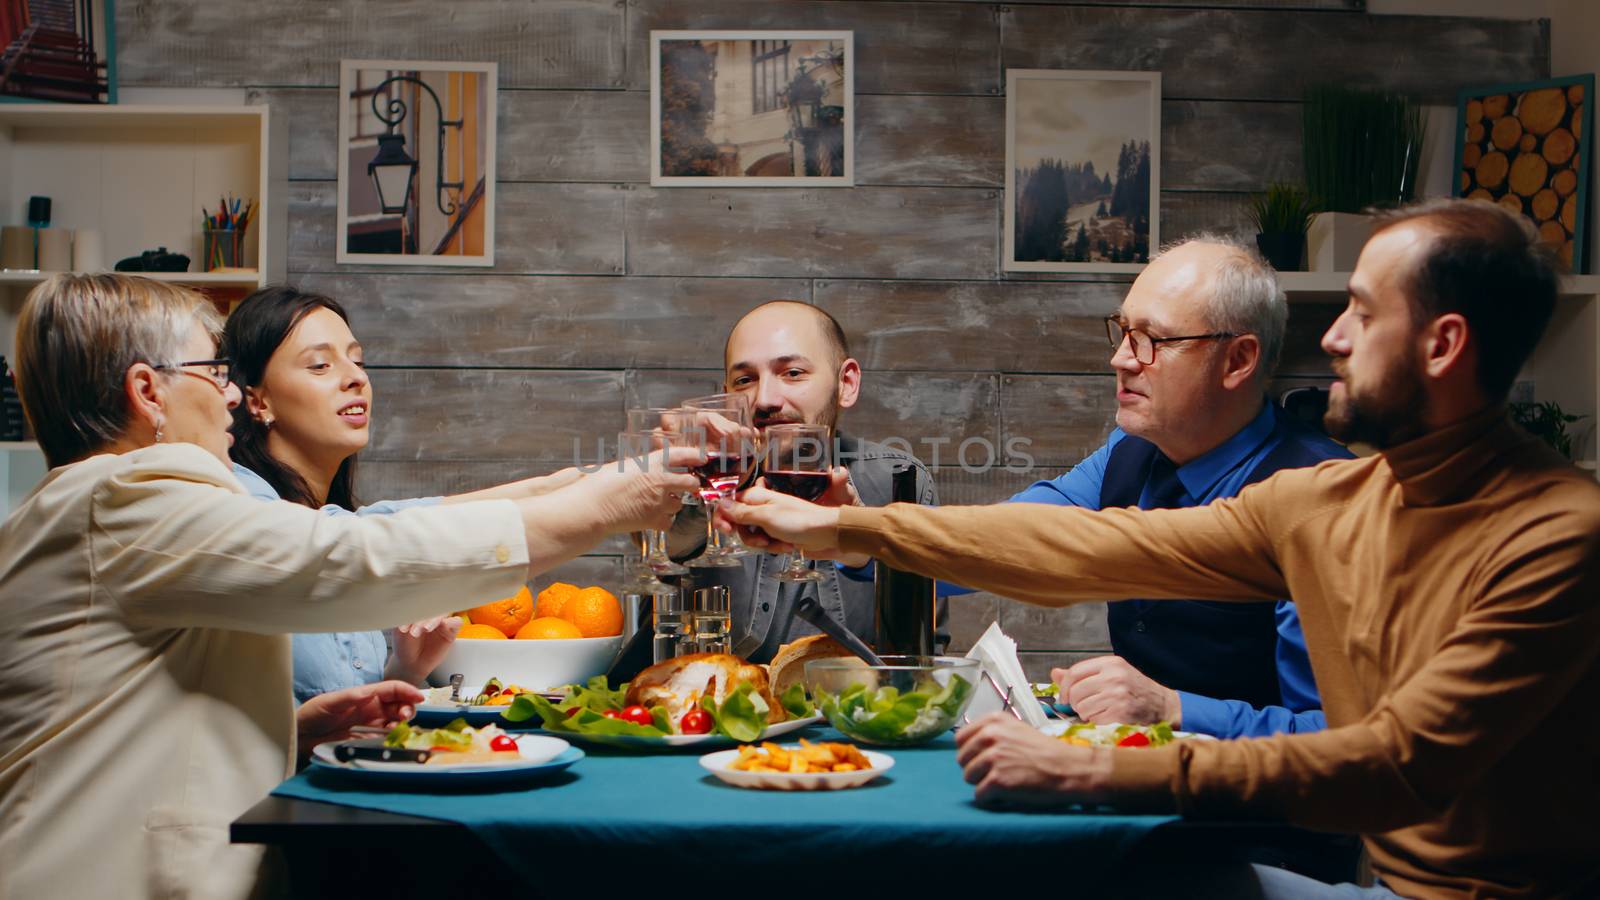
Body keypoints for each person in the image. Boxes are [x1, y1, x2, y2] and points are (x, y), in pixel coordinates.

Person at [724, 199, 1600, 898]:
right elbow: (1084, 547)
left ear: (1443, 346)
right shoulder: (1330, 500)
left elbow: (1393, 765)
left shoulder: (1560, 532)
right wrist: (848, 528)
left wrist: (1096, 768)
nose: (1330, 337)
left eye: (1362, 315)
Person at [0, 274, 698, 899]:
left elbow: (133, 711)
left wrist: (290, 733)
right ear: (148, 391)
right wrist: (612, 505)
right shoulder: (127, 499)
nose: (233, 395)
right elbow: (354, 558)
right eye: (213, 371)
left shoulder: (101, 507)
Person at [223, 286, 581, 703]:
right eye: (320, 365)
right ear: (256, 400)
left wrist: (406, 670)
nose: (356, 377)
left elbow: (338, 720)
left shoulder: (337, 518)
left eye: (357, 360)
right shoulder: (238, 499)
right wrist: (603, 491)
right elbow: (356, 534)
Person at [667, 300, 940, 662]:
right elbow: (667, 560)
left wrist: (858, 536)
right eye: (745, 380)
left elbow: (922, 651)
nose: (764, 399)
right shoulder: (698, 475)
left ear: (846, 383)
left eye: (793, 373)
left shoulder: (900, 480)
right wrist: (692, 492)